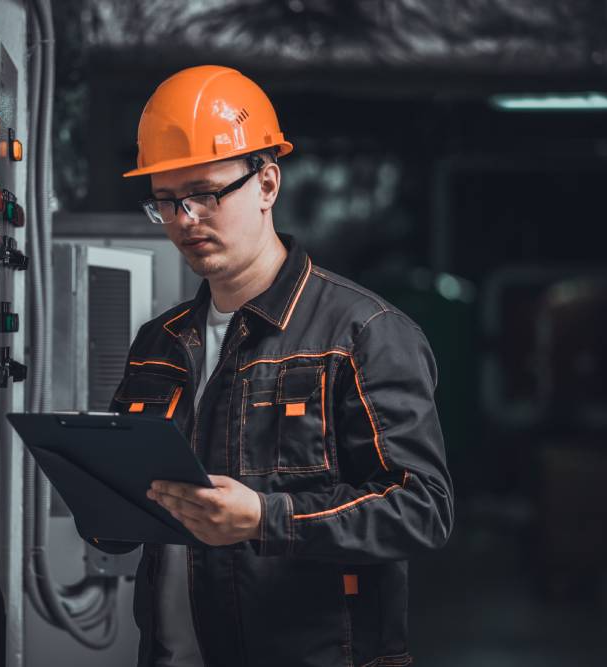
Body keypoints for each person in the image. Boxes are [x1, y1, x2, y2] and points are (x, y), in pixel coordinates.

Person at [89, 65, 454, 667]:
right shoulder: (161, 341)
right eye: (165, 203)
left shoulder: (363, 335)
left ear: (267, 184)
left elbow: (422, 508)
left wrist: (266, 518)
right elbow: (130, 517)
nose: (185, 220)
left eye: (204, 194)